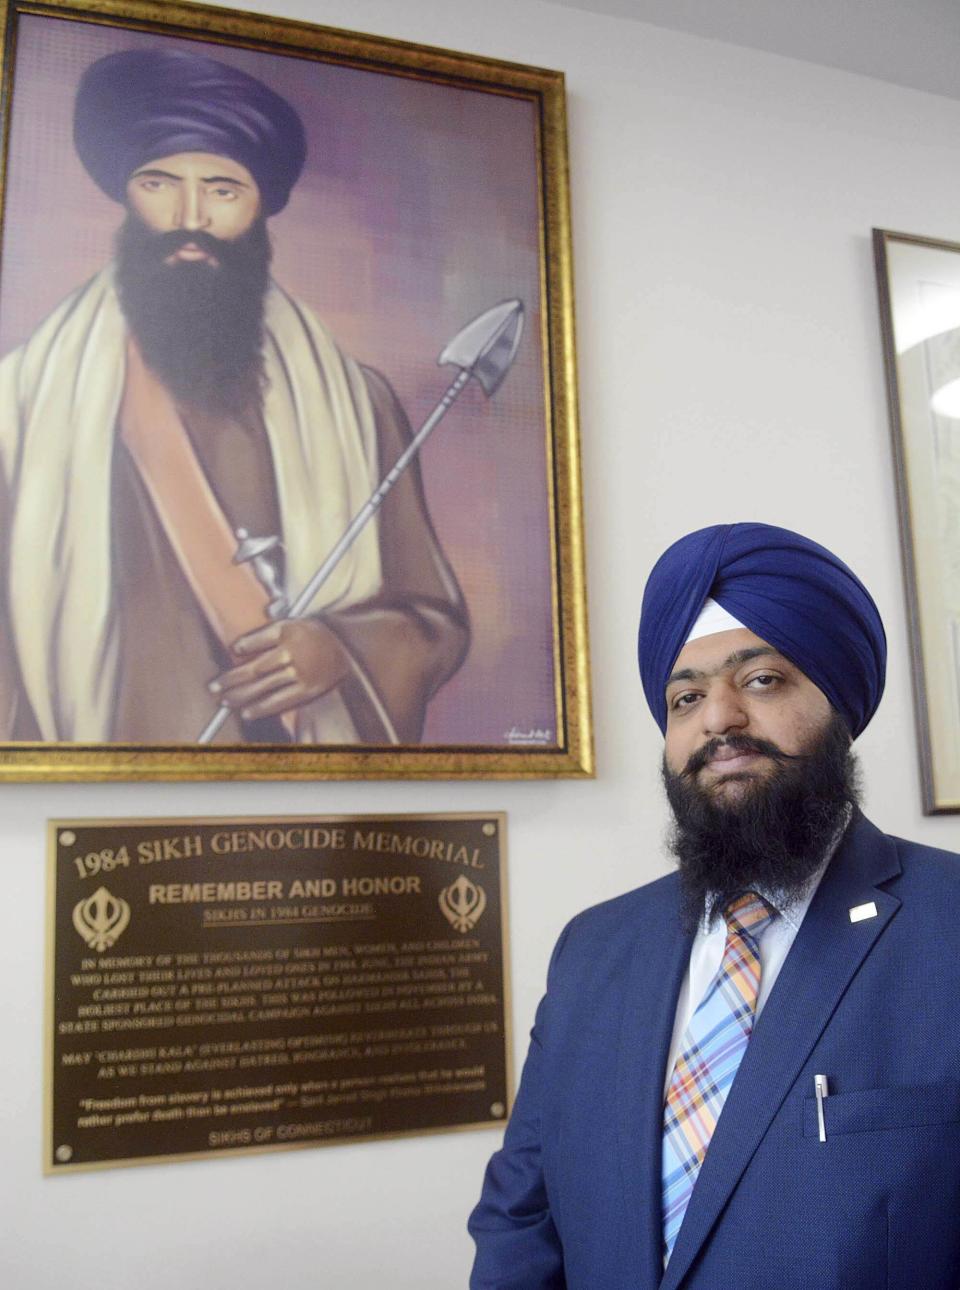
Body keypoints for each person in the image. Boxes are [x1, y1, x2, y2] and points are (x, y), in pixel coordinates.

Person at [469, 522, 960, 1289]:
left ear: (840, 701)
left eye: (761, 680)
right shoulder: (595, 948)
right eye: (686, 696)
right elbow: (521, 1219)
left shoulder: (949, 926)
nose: (719, 719)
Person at [0, 47, 468, 744]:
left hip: (305, 794)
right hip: (98, 792)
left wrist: (342, 647)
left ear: (259, 209)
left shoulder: (357, 406)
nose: (192, 216)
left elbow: (435, 621)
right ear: (126, 198)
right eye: (159, 184)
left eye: (223, 189)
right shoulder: (22, 407)